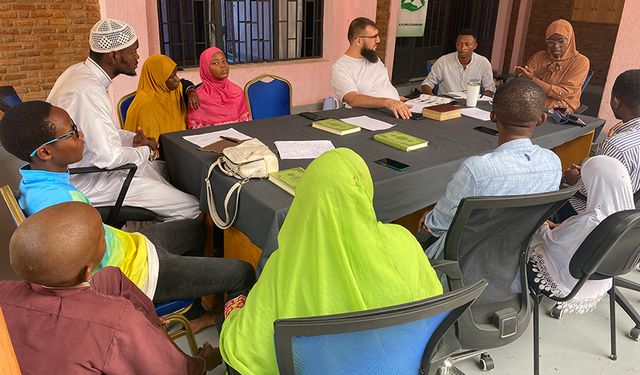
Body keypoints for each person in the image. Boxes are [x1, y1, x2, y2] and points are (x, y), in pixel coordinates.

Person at [0, 101, 255, 333]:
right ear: (45, 152)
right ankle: (233, 342)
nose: (81, 136)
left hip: (129, 246)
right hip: (137, 275)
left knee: (193, 228)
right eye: (72, 133)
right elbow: (85, 279)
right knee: (242, 272)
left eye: (76, 127)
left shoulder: (37, 181)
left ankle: (193, 310)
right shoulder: (59, 206)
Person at [219, 148, 443, 374]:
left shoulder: (284, 266)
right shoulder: (404, 242)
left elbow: (247, 348)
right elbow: (431, 305)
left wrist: (232, 313)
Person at [0, 202, 222, 374]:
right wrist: (203, 362)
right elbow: (173, 373)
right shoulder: (116, 320)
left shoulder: (5, 290)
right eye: (102, 238)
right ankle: (152, 338)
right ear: (87, 271)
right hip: (113, 335)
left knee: (110, 276)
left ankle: (150, 327)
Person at [47, 18, 200, 221]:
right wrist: (145, 151)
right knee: (191, 207)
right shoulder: (88, 91)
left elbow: (99, 131)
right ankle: (148, 250)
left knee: (165, 171)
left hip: (93, 166)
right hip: (91, 179)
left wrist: (130, 140)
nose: (137, 57)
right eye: (133, 51)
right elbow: (108, 158)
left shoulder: (78, 73)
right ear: (114, 55)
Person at [418, 78, 562, 259]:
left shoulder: (476, 170)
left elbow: (437, 225)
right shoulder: (553, 163)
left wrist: (430, 219)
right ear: (541, 120)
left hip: (461, 263)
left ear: (493, 116)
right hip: (515, 262)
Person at [529, 156, 635, 313]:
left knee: (526, 241)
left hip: (569, 281)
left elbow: (552, 242)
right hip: (601, 279)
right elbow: (581, 236)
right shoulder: (630, 217)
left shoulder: (591, 220)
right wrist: (560, 227)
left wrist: (543, 225)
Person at [561, 69, 640, 217]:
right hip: (630, 215)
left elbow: (591, 191)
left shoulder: (615, 146)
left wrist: (575, 179)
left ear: (615, 101)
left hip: (597, 216)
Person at [330, 17, 412, 120]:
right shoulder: (341, 68)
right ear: (359, 41)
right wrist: (388, 101)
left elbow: (378, 86)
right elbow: (352, 99)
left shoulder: (373, 58)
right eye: (374, 37)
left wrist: (397, 99)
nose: (378, 40)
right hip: (369, 117)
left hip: (394, 111)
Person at [515, 19, 589, 112]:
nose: (556, 46)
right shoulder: (540, 56)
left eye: (561, 41)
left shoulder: (580, 62)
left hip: (561, 108)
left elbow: (562, 94)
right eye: (551, 42)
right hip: (534, 100)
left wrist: (533, 79)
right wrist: (541, 72)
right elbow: (522, 83)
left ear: (569, 40)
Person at [124, 54, 200, 140]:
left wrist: (191, 91)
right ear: (159, 79)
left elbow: (185, 83)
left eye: (176, 74)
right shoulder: (145, 106)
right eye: (172, 76)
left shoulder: (173, 91)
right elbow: (149, 144)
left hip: (178, 143)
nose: (177, 79)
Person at [186, 47, 251, 128]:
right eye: (215, 63)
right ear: (206, 68)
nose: (223, 66)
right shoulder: (198, 97)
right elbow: (195, 131)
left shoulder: (237, 92)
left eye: (224, 61)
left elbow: (245, 123)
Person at [420, 29, 496, 97]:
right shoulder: (443, 61)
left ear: (475, 46)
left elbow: (490, 89)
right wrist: (431, 98)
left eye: (467, 44)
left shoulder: (483, 63)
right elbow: (426, 84)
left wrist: (480, 101)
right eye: (459, 44)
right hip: (447, 104)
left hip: (472, 104)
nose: (463, 48)